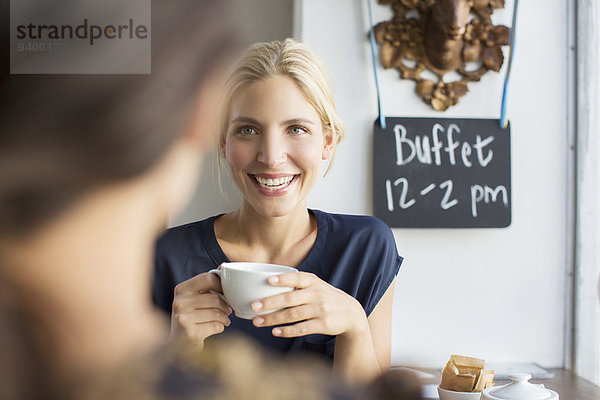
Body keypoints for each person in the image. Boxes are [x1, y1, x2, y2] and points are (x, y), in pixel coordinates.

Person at [153, 39, 404, 384]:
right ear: (223, 143)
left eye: (296, 129)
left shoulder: (365, 248)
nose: (271, 156)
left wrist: (356, 330)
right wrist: (179, 351)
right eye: (248, 130)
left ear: (327, 142)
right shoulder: (165, 257)